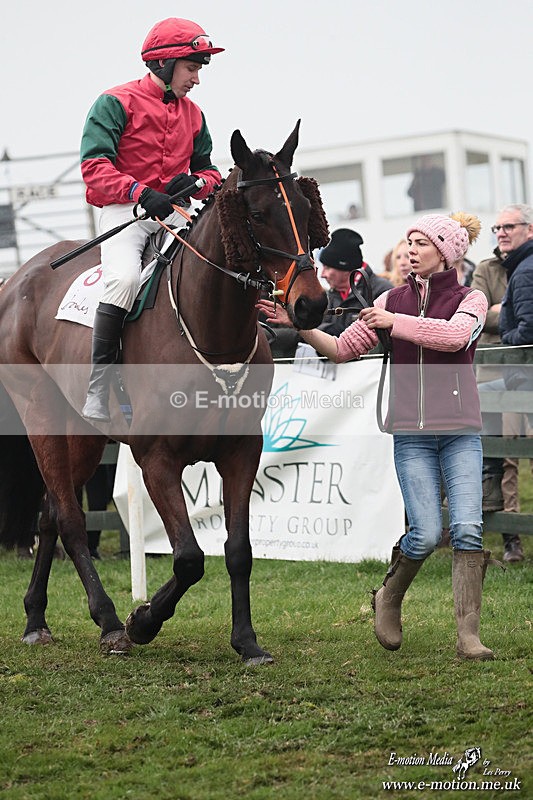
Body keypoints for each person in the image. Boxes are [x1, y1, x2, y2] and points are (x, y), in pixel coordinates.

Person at [258, 211, 495, 660]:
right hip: (411, 436)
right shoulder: (388, 302)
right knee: (425, 535)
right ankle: (388, 596)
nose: (410, 250)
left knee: (467, 529)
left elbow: (454, 337)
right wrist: (299, 325)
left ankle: (468, 636)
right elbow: (342, 349)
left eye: (421, 243)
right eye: (408, 242)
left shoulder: (472, 299)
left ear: (445, 254)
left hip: (462, 433)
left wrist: (395, 325)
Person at [80, 17, 224, 422]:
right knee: (124, 280)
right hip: (125, 212)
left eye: (198, 70)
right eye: (191, 68)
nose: (196, 79)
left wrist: (195, 182)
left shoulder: (194, 114)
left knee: (213, 267)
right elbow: (94, 168)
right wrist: (142, 192)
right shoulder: (113, 102)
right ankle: (100, 384)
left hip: (174, 214)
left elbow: (211, 173)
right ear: (164, 64)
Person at [472, 241, 526, 563]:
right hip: (493, 374)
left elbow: (505, 317)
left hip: (525, 372)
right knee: (504, 457)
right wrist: (510, 312)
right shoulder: (485, 269)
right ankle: (511, 538)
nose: (502, 234)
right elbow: (483, 318)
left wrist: (502, 309)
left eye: (510, 227)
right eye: (499, 228)